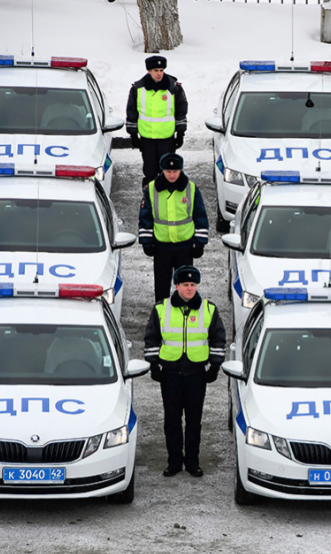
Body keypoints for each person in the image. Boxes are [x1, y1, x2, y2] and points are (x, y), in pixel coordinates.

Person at [145, 266, 226, 478]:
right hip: (169, 374)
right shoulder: (161, 308)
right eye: (185, 285)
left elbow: (218, 338)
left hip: (196, 374)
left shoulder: (208, 309)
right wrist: (154, 365)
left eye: (193, 285)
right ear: (176, 286)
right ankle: (174, 462)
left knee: (193, 421)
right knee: (171, 421)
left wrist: (215, 366)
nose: (190, 289)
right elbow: (151, 337)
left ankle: (192, 462)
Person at [138, 153, 209, 302]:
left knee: (185, 286)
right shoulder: (151, 189)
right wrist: (146, 241)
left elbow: (200, 216)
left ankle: (185, 313)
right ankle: (160, 316)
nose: (172, 175)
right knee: (161, 286)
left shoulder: (191, 189)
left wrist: (200, 243)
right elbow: (145, 217)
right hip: (161, 246)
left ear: (181, 170)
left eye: (175, 171)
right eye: (168, 171)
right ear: (162, 170)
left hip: (185, 247)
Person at [126, 55, 188, 188]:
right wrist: (133, 134)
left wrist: (181, 133)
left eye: (161, 70)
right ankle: (148, 197)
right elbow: (131, 111)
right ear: (149, 71)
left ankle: (167, 196)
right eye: (156, 70)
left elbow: (181, 111)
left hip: (167, 138)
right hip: (147, 138)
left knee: (167, 170)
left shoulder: (174, 88)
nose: (159, 73)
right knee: (149, 170)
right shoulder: (137, 88)